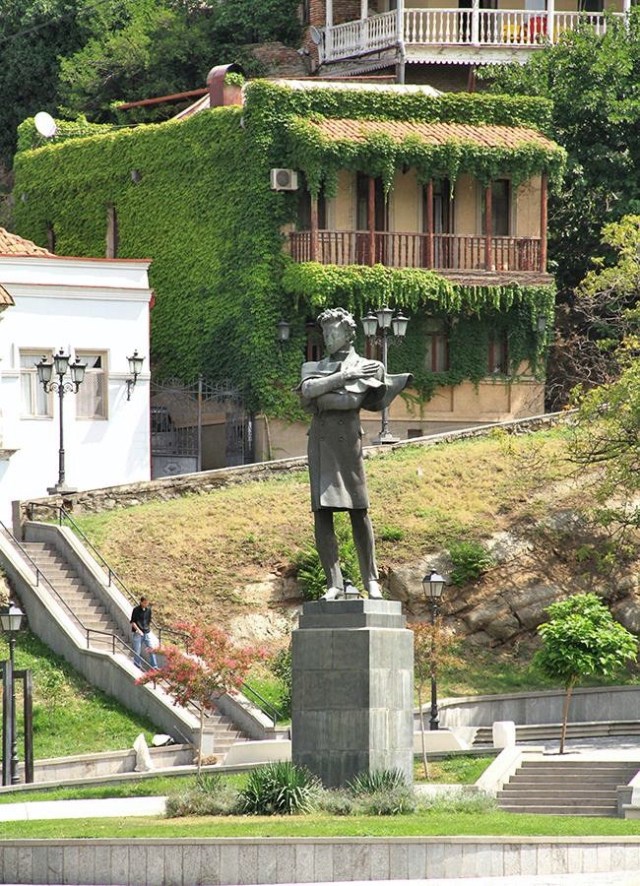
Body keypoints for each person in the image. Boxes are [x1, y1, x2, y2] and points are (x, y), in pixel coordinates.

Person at [299, 307, 412, 600]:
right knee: (322, 513)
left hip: (348, 443)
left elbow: (353, 401)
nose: (328, 337)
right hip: (321, 444)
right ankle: (333, 584)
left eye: (333, 331)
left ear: (349, 334)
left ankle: (371, 579)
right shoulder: (312, 366)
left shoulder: (370, 366)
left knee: (359, 511)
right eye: (324, 332)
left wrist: (330, 393)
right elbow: (309, 391)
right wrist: (343, 377)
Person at [130, 596, 158, 668]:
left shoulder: (148, 610)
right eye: (144, 603)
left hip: (146, 632)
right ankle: (137, 664)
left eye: (147, 603)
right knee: (137, 650)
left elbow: (149, 620)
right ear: (141, 602)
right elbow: (133, 622)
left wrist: (147, 628)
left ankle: (154, 666)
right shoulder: (136, 610)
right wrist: (138, 630)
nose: (146, 604)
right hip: (138, 633)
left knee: (151, 648)